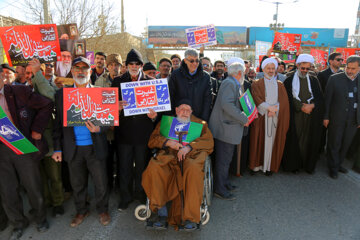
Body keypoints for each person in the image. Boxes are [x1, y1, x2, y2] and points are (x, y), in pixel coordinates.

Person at [52, 57, 110, 227]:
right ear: (71, 71)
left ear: (90, 72)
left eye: (84, 69)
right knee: (77, 184)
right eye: (77, 68)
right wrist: (57, 149)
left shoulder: (100, 92)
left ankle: (103, 210)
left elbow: (108, 120)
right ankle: (81, 210)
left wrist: (98, 128)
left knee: (101, 183)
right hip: (73, 148)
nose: (80, 71)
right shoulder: (61, 94)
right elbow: (57, 125)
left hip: (95, 146)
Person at [142, 100, 214, 230]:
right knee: (155, 167)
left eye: (188, 110)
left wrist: (190, 147)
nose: (185, 112)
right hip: (169, 156)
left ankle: (190, 218)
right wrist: (167, 142)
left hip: (190, 157)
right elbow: (152, 140)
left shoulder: (200, 124)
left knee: (192, 169)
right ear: (176, 110)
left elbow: (209, 142)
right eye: (182, 109)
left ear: (192, 112)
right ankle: (160, 212)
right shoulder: (166, 123)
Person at [0, 64, 53, 239]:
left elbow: (46, 104)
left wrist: (37, 129)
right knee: (8, 190)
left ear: (2, 76)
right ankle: (17, 223)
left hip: (20, 143)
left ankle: (40, 219)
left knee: (33, 186)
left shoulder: (18, 91)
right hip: (1, 151)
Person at [111, 49, 157, 210]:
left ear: (141, 65)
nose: (134, 66)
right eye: (131, 63)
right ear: (126, 65)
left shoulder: (151, 81)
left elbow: (157, 111)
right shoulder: (117, 81)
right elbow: (108, 109)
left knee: (142, 167)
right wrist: (116, 107)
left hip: (143, 133)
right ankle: (125, 196)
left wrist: (153, 115)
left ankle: (141, 194)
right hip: (124, 133)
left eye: (137, 63)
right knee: (124, 168)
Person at [209, 61, 249, 200]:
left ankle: (224, 183)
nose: (244, 75)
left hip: (228, 127)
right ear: (239, 73)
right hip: (225, 128)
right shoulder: (229, 83)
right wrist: (244, 118)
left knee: (226, 159)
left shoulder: (232, 82)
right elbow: (227, 105)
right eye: (243, 72)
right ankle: (220, 189)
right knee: (223, 160)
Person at [282, 54, 324, 174]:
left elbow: (320, 98)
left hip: (310, 116)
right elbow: (287, 98)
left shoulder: (313, 80)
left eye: (307, 68)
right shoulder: (289, 80)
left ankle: (307, 164)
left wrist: (312, 106)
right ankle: (294, 165)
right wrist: (301, 107)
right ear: (298, 66)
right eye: (303, 68)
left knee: (308, 140)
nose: (305, 71)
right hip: (295, 115)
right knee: (296, 139)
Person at [248, 58, 290, 175]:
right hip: (262, 118)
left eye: (273, 68)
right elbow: (256, 98)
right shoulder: (257, 83)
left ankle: (268, 167)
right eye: (268, 68)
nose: (271, 71)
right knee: (258, 141)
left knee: (272, 143)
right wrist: (268, 108)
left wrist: (275, 110)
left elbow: (284, 102)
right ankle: (256, 166)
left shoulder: (280, 85)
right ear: (263, 69)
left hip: (274, 118)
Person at [323, 55, 360, 179]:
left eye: (353, 69)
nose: (349, 71)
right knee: (335, 143)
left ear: (359, 68)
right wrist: (326, 117)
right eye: (348, 68)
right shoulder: (334, 79)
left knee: (345, 144)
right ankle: (333, 168)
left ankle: (338, 164)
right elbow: (327, 100)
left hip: (354, 120)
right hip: (336, 118)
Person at [95, 53, 122, 189]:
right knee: (107, 158)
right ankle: (108, 185)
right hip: (106, 128)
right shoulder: (100, 81)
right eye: (111, 64)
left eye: (117, 64)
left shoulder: (126, 81)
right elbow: (98, 104)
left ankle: (119, 185)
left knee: (122, 159)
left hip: (122, 127)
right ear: (107, 66)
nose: (114, 67)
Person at [169, 48, 212, 122]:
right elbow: (170, 96)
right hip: (179, 118)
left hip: (198, 118)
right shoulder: (175, 75)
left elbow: (207, 100)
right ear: (185, 61)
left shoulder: (206, 77)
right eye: (191, 61)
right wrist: (172, 116)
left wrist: (203, 119)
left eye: (197, 61)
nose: (195, 63)